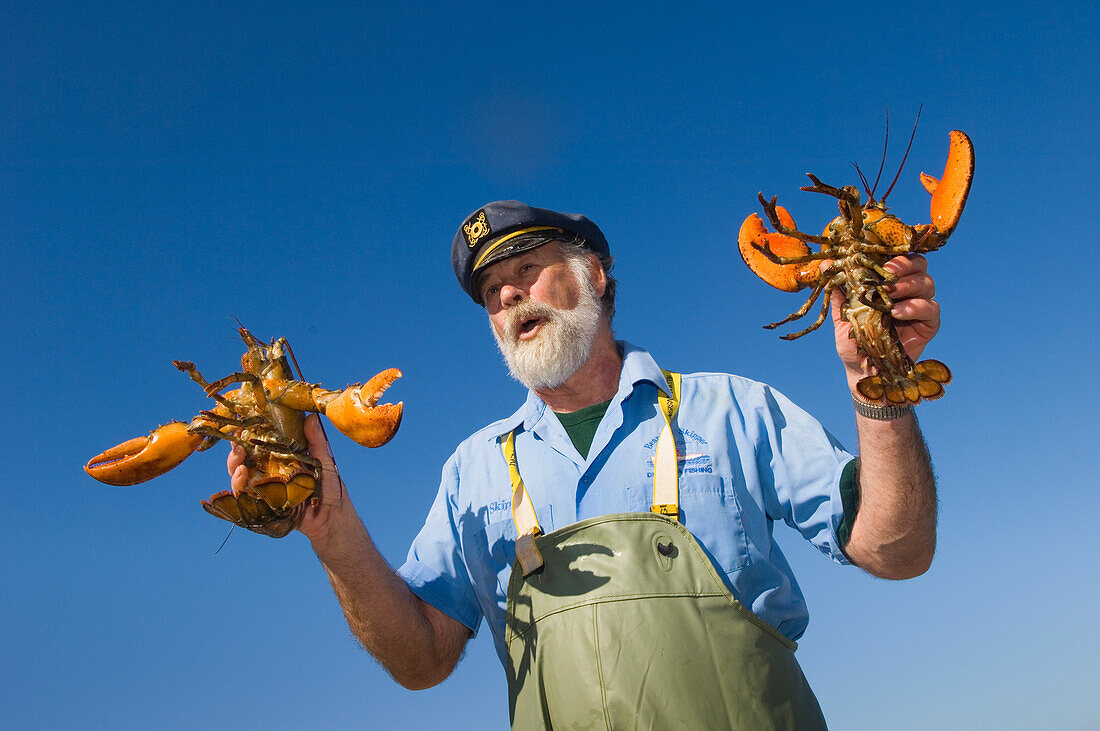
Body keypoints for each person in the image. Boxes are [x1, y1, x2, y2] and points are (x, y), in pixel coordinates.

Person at [228, 201, 940, 728]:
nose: (506, 295)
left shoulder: (730, 410)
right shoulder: (474, 470)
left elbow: (895, 547)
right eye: (489, 291)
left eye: (526, 269)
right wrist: (332, 529)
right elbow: (421, 660)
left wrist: (878, 381)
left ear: (594, 273)